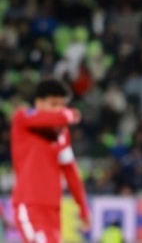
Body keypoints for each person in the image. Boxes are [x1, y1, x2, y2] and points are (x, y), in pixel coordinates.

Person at [11, 79, 90, 243]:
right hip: (30, 205)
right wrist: (71, 114)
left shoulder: (62, 135)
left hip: (53, 209)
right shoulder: (23, 117)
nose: (59, 109)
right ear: (38, 103)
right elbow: (62, 117)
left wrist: (83, 208)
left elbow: (70, 171)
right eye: (53, 104)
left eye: (62, 105)